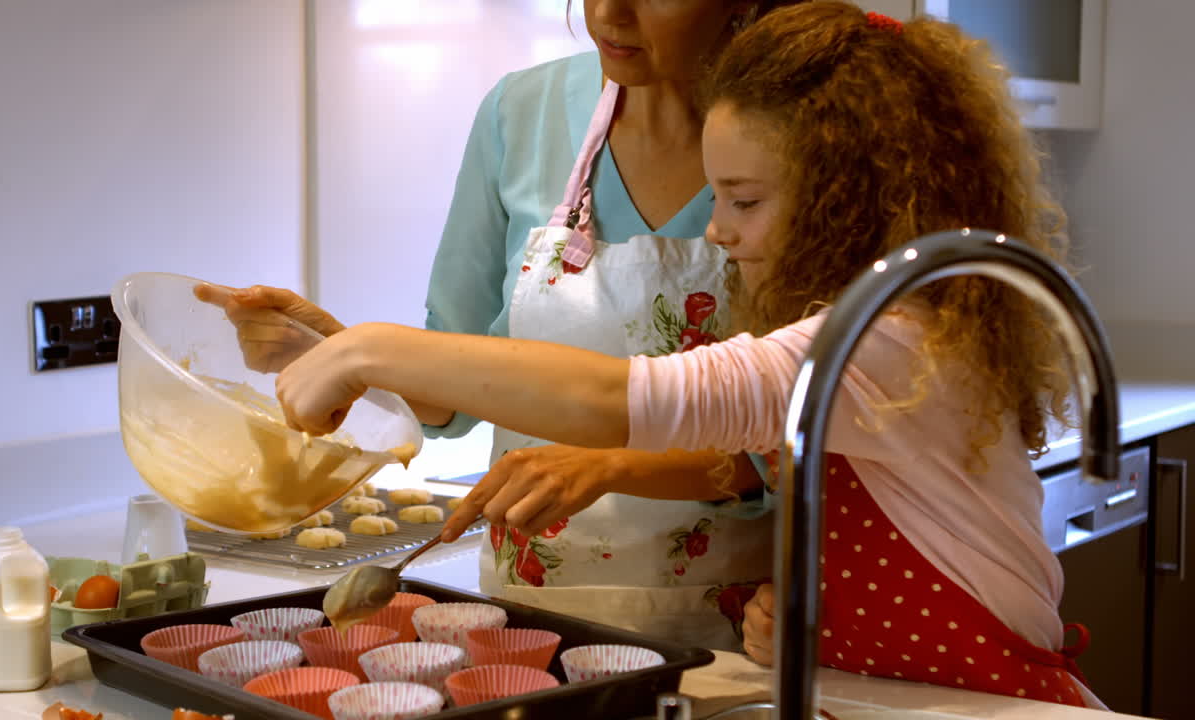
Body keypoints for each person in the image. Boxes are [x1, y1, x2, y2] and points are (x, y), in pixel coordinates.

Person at [273, 1, 1103, 708]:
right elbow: (801, 478)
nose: (717, 226)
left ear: (844, 199)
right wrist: (817, 606)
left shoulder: (880, 340)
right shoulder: (880, 327)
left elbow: (635, 399)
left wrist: (369, 351)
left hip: (976, 696)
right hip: (846, 673)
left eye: (741, 200)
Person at [203, 0, 804, 652]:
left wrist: (609, 465)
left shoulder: (795, 131)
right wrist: (333, 350)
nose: (609, 12)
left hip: (735, 625)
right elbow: (453, 392)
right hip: (525, 622)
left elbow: (795, 433)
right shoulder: (522, 113)